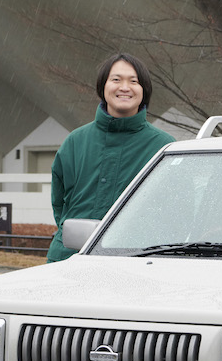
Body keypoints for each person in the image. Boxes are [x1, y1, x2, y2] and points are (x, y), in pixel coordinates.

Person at [46, 53, 175, 262]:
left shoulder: (164, 147)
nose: (124, 87)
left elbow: (175, 210)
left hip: (137, 262)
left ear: (144, 90)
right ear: (103, 87)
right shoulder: (75, 141)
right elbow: (60, 204)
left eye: (134, 81)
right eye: (116, 80)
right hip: (69, 259)